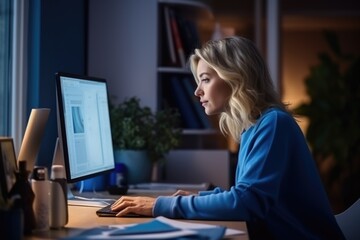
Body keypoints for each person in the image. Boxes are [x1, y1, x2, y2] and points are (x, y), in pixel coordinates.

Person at [111, 36, 345, 239]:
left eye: (205, 79)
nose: (197, 91)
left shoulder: (273, 124)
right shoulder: (255, 126)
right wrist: (201, 198)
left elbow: (247, 202)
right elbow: (249, 194)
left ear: (235, 77)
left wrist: (162, 205)